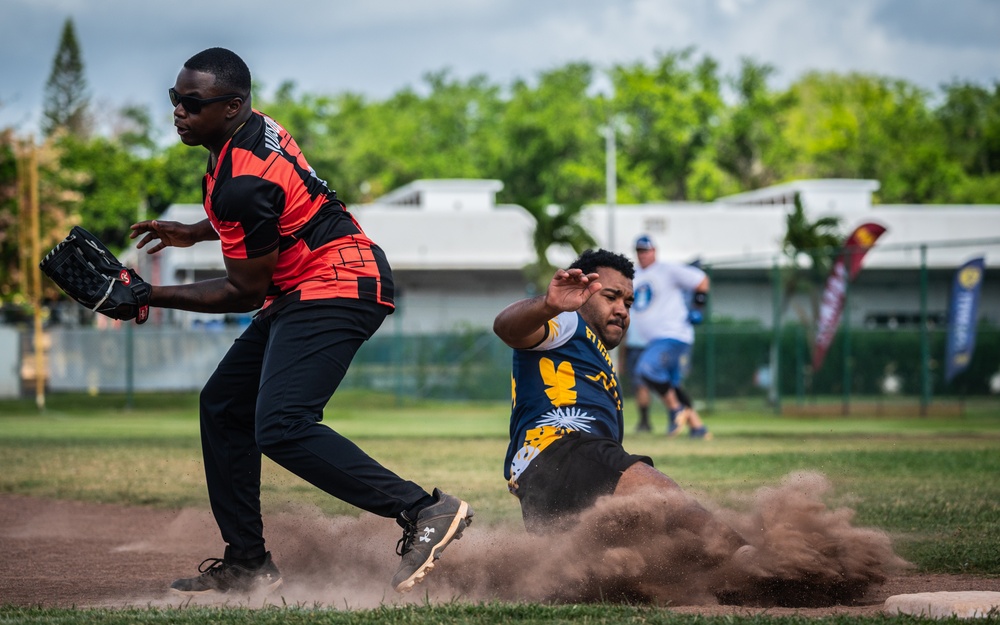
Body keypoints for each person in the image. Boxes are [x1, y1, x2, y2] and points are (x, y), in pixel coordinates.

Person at [129, 47, 472, 596]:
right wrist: (193, 233)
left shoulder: (242, 177)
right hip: (310, 284)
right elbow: (284, 208)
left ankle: (425, 509)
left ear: (233, 105)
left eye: (192, 103)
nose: (179, 112)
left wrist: (148, 294)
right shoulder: (249, 134)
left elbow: (244, 290)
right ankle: (248, 564)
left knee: (282, 423)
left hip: (339, 284)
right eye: (175, 100)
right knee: (223, 406)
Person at [492, 249, 750, 564]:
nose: (622, 310)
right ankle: (751, 560)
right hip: (562, 452)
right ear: (580, 294)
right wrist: (548, 304)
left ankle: (729, 577)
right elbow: (507, 328)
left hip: (545, 482)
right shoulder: (565, 322)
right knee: (666, 500)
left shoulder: (592, 347)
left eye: (627, 302)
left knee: (646, 561)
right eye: (611, 297)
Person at [631, 235, 711, 438]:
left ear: (654, 251)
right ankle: (698, 428)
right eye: (639, 250)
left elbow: (701, 280)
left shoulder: (667, 270)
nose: (643, 254)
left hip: (674, 334)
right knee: (673, 384)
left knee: (646, 369)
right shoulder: (635, 275)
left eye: (646, 250)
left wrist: (698, 307)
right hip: (654, 339)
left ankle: (676, 410)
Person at [618, 327, 653, 433]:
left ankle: (644, 421)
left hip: (636, 350)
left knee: (640, 386)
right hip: (652, 347)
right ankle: (645, 420)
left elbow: (624, 337)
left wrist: (622, 360)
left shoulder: (630, 312)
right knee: (644, 386)